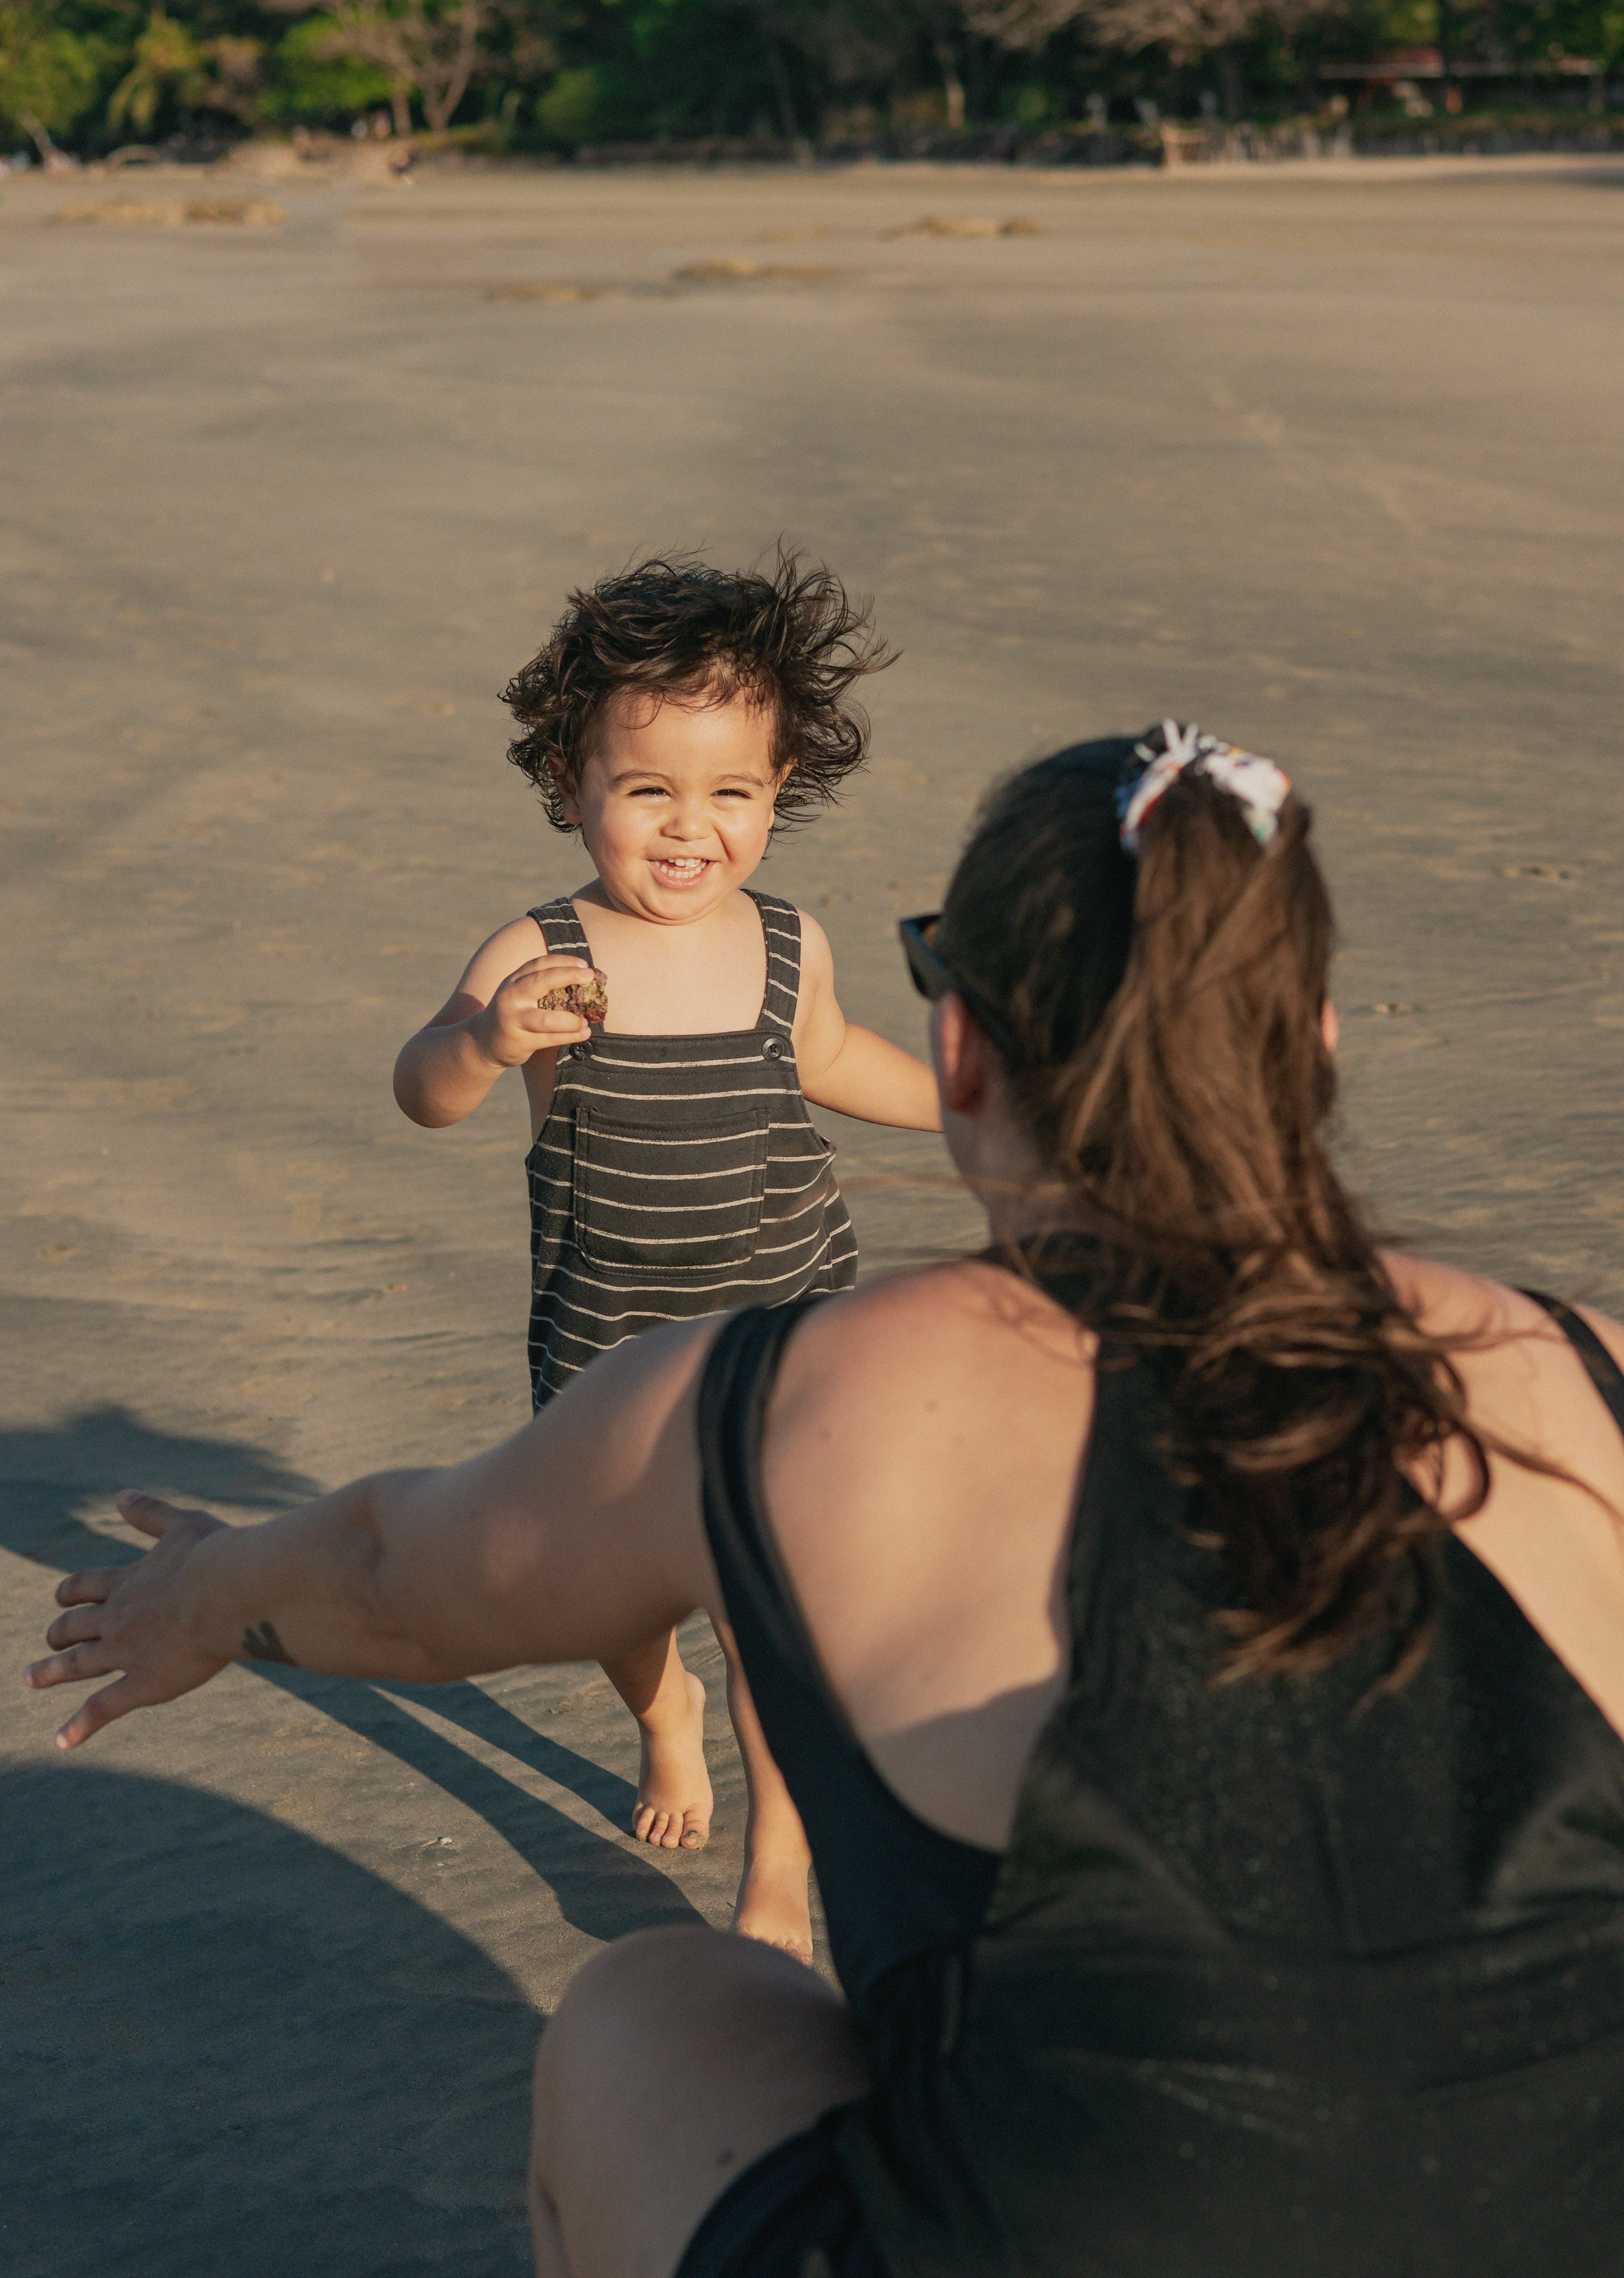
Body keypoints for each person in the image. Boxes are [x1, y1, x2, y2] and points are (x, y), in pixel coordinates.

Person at [31, 721, 1624, 2277]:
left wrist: (210, 1588)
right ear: (1320, 1040)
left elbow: (394, 1572)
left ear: (960, 1049)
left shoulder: (779, 1401)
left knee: (652, 2005)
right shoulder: (1586, 1379)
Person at [391, 551, 939, 1961]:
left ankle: (779, 1871)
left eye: (730, 793)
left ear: (778, 786)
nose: (690, 828)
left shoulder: (783, 941)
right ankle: (659, 1714)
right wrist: (487, 1037)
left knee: (772, 1615)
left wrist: (968, 1094)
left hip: (780, 1335)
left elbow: (830, 1060)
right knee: (625, 1600)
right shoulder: (542, 949)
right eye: (648, 791)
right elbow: (423, 1089)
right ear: (570, 783)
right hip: (611, 1352)